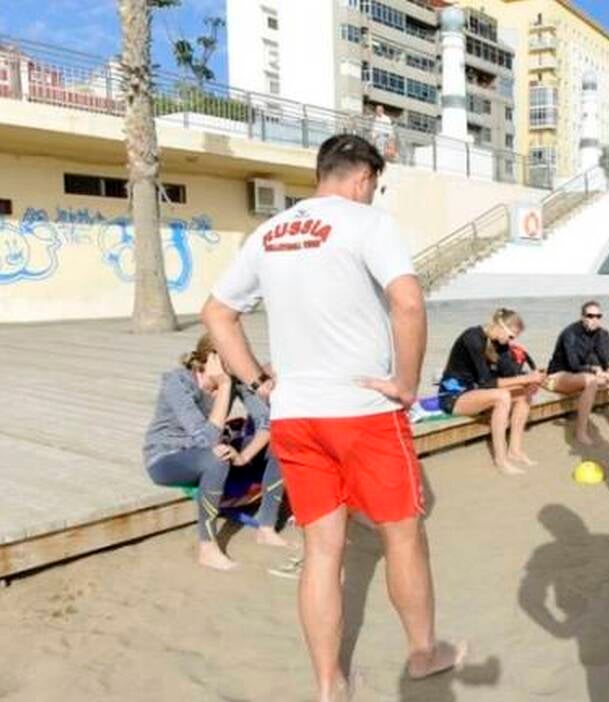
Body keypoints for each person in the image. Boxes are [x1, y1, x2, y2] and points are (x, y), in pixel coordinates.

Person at [202, 134, 464, 702]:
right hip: (362, 410)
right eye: (375, 185)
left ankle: (329, 683)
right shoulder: (367, 222)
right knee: (403, 536)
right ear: (364, 178)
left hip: (296, 415)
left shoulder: (269, 232)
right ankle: (423, 655)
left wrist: (259, 382)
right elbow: (409, 302)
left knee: (322, 550)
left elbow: (217, 313)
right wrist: (406, 384)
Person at [142, 333, 289, 571]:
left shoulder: (234, 379)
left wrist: (244, 456)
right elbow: (205, 439)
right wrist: (225, 386)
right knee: (216, 458)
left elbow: (268, 422)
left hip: (210, 451)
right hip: (167, 457)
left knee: (282, 442)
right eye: (235, 357)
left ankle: (266, 526)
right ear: (213, 359)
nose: (242, 363)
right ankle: (208, 548)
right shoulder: (178, 382)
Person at [439, 308, 545, 475]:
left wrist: (532, 378)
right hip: (453, 397)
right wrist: (525, 379)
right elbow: (486, 383)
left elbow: (509, 374)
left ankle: (515, 451)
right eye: (511, 336)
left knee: (525, 392)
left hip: (476, 392)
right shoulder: (472, 338)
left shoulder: (500, 343)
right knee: (502, 396)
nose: (511, 341)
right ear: (500, 326)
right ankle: (501, 460)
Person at [545, 300, 609, 444]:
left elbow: (605, 363)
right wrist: (597, 371)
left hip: (582, 374)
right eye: (590, 316)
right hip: (559, 375)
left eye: (598, 316)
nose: (594, 319)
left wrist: (608, 372)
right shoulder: (570, 333)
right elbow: (574, 365)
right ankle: (581, 432)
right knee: (591, 381)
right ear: (582, 317)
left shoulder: (603, 335)